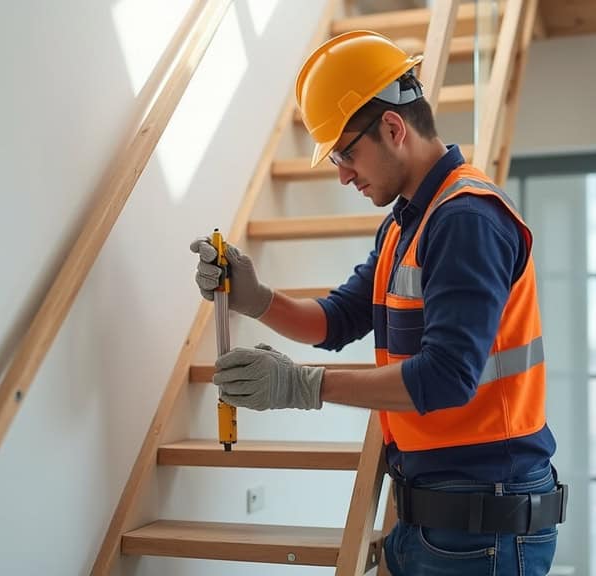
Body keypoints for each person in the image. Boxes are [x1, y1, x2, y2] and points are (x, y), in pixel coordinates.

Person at [190, 31, 566, 576]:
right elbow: (338, 319)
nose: (342, 172)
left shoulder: (466, 218)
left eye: (345, 152)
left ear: (393, 127)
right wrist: (256, 298)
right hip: (431, 513)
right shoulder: (407, 224)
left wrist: (302, 385)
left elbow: (447, 377)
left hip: (484, 520)